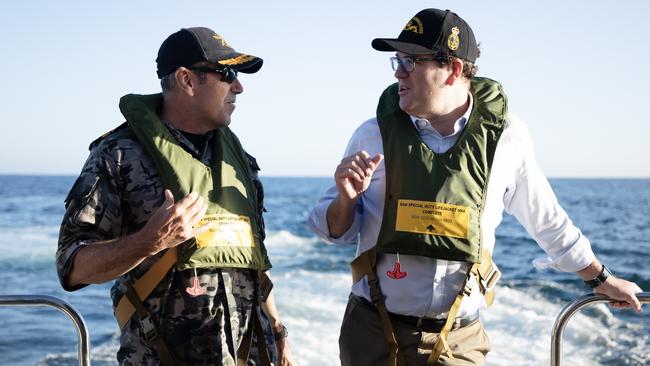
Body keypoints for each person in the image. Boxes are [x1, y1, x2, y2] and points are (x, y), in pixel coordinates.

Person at [308, 8, 643, 366]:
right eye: (397, 60)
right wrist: (345, 198)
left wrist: (601, 279)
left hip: (458, 340)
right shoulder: (371, 134)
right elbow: (331, 231)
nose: (398, 72)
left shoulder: (506, 138)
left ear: (453, 69)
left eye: (411, 61)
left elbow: (547, 220)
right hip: (371, 332)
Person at [56, 27, 295, 366]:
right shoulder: (119, 156)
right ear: (186, 80)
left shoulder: (238, 161)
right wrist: (149, 241)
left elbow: (252, 259)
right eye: (227, 74)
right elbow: (71, 265)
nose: (239, 87)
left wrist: (278, 331)